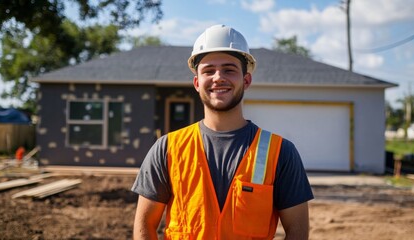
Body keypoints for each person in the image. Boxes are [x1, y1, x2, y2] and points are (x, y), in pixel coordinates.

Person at [131, 24, 314, 239]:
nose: (218, 77)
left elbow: (297, 231)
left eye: (229, 69)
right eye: (209, 70)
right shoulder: (168, 148)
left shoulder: (280, 152)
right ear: (197, 83)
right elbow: (144, 224)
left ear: (246, 80)